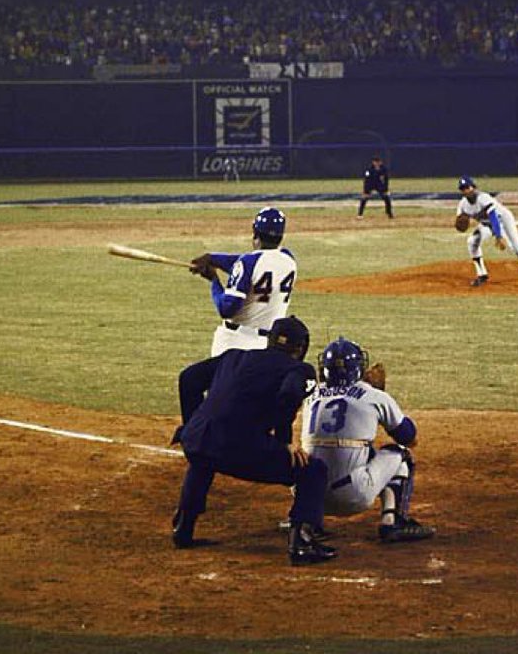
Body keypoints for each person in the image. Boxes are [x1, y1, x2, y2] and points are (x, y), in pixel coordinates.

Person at [171, 315, 336, 565]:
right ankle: (301, 542)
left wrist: (190, 424)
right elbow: (290, 392)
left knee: (203, 460)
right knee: (312, 471)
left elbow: (188, 378)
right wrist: (284, 441)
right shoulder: (299, 369)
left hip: (197, 441)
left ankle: (183, 528)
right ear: (300, 348)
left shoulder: (234, 356)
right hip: (239, 448)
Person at [302, 336, 435, 544]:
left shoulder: (311, 396)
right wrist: (380, 396)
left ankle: (306, 523)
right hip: (352, 496)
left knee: (322, 451)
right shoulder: (372, 395)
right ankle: (392, 521)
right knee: (400, 454)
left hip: (308, 498)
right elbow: (408, 437)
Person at [189, 207, 296, 356]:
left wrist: (214, 280)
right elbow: (247, 264)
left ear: (255, 233)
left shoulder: (248, 263)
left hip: (235, 343)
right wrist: (212, 258)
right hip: (267, 346)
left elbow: (226, 309)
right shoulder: (288, 259)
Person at [455, 175, 518, 289]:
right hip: (486, 224)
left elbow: (493, 217)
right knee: (472, 241)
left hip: (503, 219)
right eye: (462, 188)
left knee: (515, 246)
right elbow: (460, 222)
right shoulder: (463, 205)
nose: (465, 191)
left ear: (473, 187)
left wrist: (498, 235)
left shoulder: (483, 198)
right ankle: (482, 274)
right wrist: (460, 224)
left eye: (467, 187)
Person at [357, 154, 393, 219]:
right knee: (364, 199)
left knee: (386, 198)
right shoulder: (369, 170)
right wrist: (366, 190)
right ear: (373, 162)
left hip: (380, 185)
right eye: (375, 162)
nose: (376, 163)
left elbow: (386, 180)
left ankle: (389, 213)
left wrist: (385, 189)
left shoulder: (384, 169)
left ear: (380, 162)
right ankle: (360, 214)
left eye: (378, 161)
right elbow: (366, 179)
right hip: (371, 184)